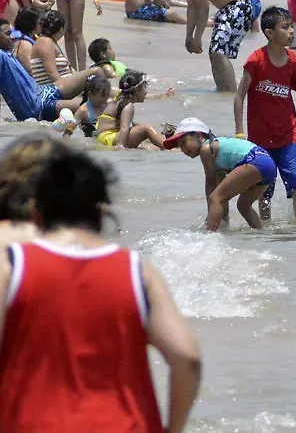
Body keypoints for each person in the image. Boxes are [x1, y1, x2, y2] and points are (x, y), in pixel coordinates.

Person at [0, 136, 202, 432]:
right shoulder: (137, 269)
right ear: (103, 212)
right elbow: (188, 357)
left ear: (37, 210)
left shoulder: (14, 264)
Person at [233, 7, 296, 223]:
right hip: (260, 138)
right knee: (264, 186)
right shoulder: (256, 61)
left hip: (288, 136)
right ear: (269, 33)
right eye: (285, 27)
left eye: (292, 26)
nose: (291, 31)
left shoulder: (295, 63)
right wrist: (239, 132)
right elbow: (239, 97)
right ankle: (265, 227)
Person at [154, 0, 254, 92]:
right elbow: (192, 7)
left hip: (239, 7)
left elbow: (203, 7)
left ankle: (231, 93)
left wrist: (198, 37)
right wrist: (189, 36)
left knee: (218, 51)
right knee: (215, 53)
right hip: (227, 9)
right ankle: (223, 92)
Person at [164, 118, 273, 231]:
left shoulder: (206, 149)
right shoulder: (218, 149)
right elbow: (221, 193)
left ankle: (209, 237)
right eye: (179, 146)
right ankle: (261, 233)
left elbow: (210, 184)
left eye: (183, 142)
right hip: (267, 162)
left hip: (255, 161)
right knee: (243, 206)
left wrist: (211, 212)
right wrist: (223, 219)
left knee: (215, 198)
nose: (183, 149)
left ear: (199, 135)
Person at [92, 70, 170, 149]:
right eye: (144, 87)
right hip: (109, 138)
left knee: (150, 139)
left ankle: (166, 143)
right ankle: (169, 148)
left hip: (103, 137)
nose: (146, 92)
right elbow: (124, 128)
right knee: (147, 129)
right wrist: (121, 146)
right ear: (137, 90)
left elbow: (126, 122)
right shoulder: (128, 106)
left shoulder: (120, 98)